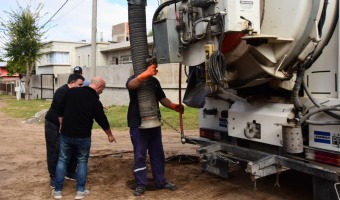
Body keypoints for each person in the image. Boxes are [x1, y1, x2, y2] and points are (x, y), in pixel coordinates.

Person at [52, 76, 116, 199]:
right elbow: (102, 119)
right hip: (83, 137)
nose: (102, 92)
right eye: (102, 89)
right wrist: (109, 135)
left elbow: (60, 109)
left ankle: (58, 191)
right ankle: (80, 192)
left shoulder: (71, 91)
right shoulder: (95, 101)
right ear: (99, 87)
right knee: (82, 162)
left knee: (62, 160)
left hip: (66, 134)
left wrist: (62, 124)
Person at [126, 63, 184, 196]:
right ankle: (140, 184)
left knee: (158, 153)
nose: (154, 70)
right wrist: (144, 75)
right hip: (138, 124)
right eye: (152, 68)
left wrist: (173, 106)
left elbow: (162, 98)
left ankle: (161, 181)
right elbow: (131, 85)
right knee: (140, 155)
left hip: (154, 123)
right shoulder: (133, 79)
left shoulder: (154, 81)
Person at [45, 73, 85, 189]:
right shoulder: (62, 92)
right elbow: (63, 110)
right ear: (72, 83)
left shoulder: (75, 92)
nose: (81, 87)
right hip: (53, 124)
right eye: (80, 84)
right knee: (54, 149)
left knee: (73, 146)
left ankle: (70, 171)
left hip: (67, 125)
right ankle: (53, 176)